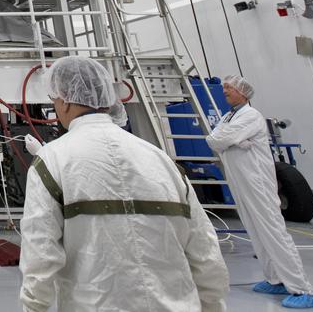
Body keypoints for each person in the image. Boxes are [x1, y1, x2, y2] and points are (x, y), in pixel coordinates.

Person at [20, 58, 228, 311]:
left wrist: (33, 307)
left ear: (64, 101)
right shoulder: (160, 159)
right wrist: (212, 305)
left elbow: (40, 253)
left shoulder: (52, 159)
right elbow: (205, 251)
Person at [207, 76, 313, 309]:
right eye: (224, 87)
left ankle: (302, 288)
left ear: (243, 93)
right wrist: (228, 141)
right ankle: (275, 279)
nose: (225, 90)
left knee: (273, 232)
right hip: (241, 183)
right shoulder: (229, 116)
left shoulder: (251, 116)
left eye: (229, 87)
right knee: (255, 231)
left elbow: (221, 138)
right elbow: (214, 140)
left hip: (258, 183)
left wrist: (227, 140)